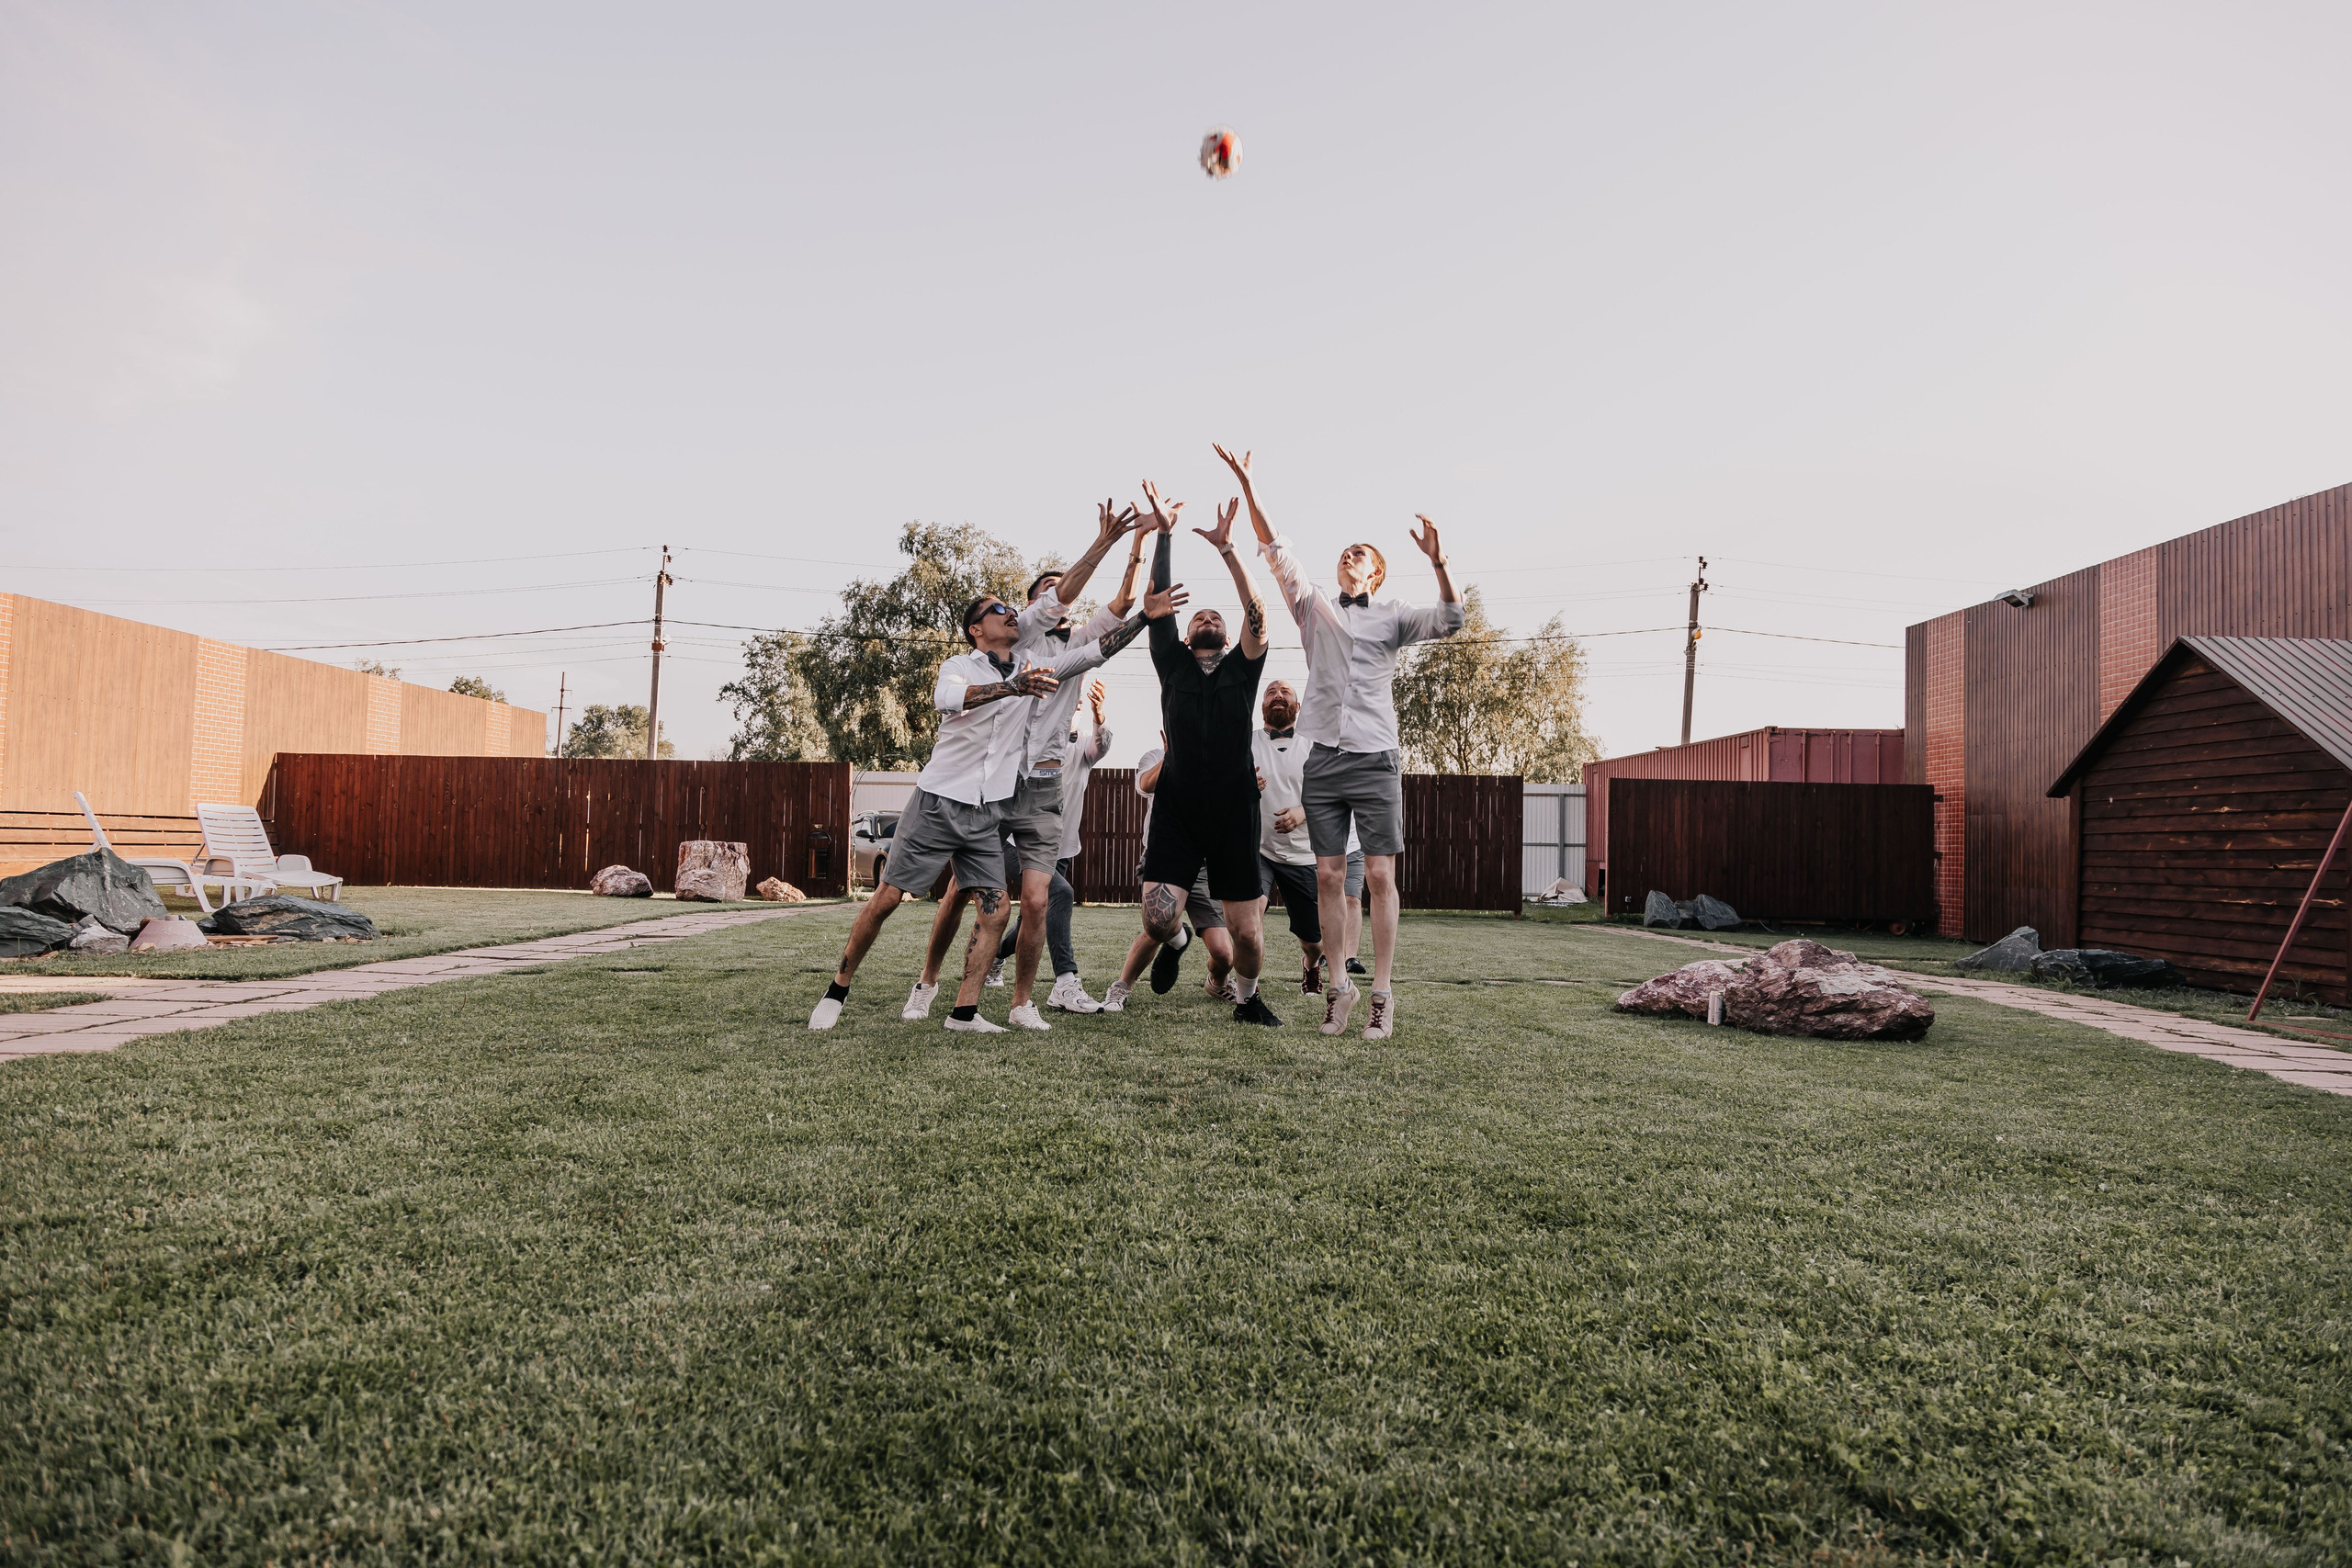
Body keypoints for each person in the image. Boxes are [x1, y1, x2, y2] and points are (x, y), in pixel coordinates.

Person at [810, 504, 1138, 1032]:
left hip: (987, 813)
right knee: (890, 898)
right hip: (938, 802)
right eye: (999, 609)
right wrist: (1011, 687)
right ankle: (837, 990)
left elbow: (1087, 636)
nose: (1013, 613)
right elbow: (951, 700)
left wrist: (1133, 589)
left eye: (1014, 608)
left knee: (997, 909)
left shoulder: (1037, 662)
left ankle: (964, 1012)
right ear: (975, 630)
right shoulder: (959, 666)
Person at [1215, 443, 1462, 1040]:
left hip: (1374, 756)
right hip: (1323, 753)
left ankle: (1380, 992)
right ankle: (1338, 987)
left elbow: (1452, 620)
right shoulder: (1313, 608)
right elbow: (1276, 550)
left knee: (1377, 876)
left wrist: (1440, 562)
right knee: (1328, 876)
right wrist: (1249, 483)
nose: (1350, 554)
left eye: (1362, 554)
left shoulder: (1395, 615)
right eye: (1346, 550)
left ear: (1374, 572)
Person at [1102, 484, 1282, 1025]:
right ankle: (1177, 941)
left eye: (1212, 617)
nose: (1205, 618)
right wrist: (1164, 534)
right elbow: (1157, 604)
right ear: (1185, 636)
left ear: (1226, 637)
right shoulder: (1173, 665)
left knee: (1246, 935)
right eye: (1196, 617)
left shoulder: (1242, 669)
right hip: (1178, 808)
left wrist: (1228, 550)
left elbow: (1257, 612)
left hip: (1233, 809)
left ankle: (1247, 997)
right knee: (1157, 923)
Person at [1104, 732, 1235, 1010]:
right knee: (1157, 926)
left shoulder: (1216, 760)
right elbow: (1145, 785)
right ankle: (1121, 987)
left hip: (1203, 865)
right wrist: (1171, 755)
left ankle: (1218, 982)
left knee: (1224, 955)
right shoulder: (1155, 756)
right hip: (1163, 857)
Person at [1251, 679, 1330, 994]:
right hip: (1259, 850)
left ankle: (1311, 965)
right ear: (1263, 707)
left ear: (1297, 707)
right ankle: (1249, 988)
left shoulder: (1313, 743)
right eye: (1271, 692)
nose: (1278, 696)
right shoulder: (1247, 742)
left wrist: (1302, 812)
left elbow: (1331, 791)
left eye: (1285, 692)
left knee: (1314, 941)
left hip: (1303, 855)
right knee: (1250, 920)